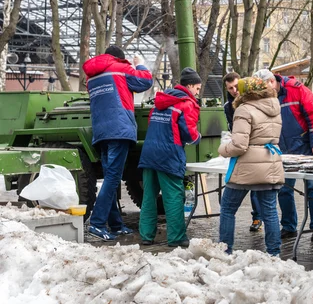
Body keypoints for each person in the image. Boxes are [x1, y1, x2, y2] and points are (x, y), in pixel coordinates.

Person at [82, 46, 153, 241]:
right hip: (119, 129)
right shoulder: (120, 68)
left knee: (110, 178)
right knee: (113, 178)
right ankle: (97, 224)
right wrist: (140, 64)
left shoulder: (93, 76)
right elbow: (145, 81)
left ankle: (115, 224)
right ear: (119, 58)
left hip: (102, 131)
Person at [253, 69, 313, 241]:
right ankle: (288, 225)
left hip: (305, 145)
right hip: (282, 147)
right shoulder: (265, 96)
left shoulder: (296, 89)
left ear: (272, 82)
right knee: (284, 188)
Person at [217, 77, 284, 256]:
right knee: (270, 211)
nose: (235, 92)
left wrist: (223, 149)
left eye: (237, 89)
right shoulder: (274, 107)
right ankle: (274, 253)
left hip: (247, 167)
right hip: (270, 162)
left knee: (228, 208)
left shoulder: (244, 110)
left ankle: (224, 251)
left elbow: (239, 145)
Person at [138, 68, 202, 248]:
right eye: (197, 88)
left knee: (149, 196)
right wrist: (198, 138)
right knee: (174, 195)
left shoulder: (161, 102)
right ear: (189, 86)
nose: (198, 92)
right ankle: (176, 237)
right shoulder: (186, 104)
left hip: (149, 153)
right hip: (169, 155)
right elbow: (189, 133)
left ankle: (146, 236)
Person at [223, 72, 263, 233]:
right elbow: (233, 129)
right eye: (230, 88)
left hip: (257, 148)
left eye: (236, 86)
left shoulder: (254, 101)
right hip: (241, 148)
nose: (234, 90)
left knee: (257, 189)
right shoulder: (228, 106)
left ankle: (258, 217)